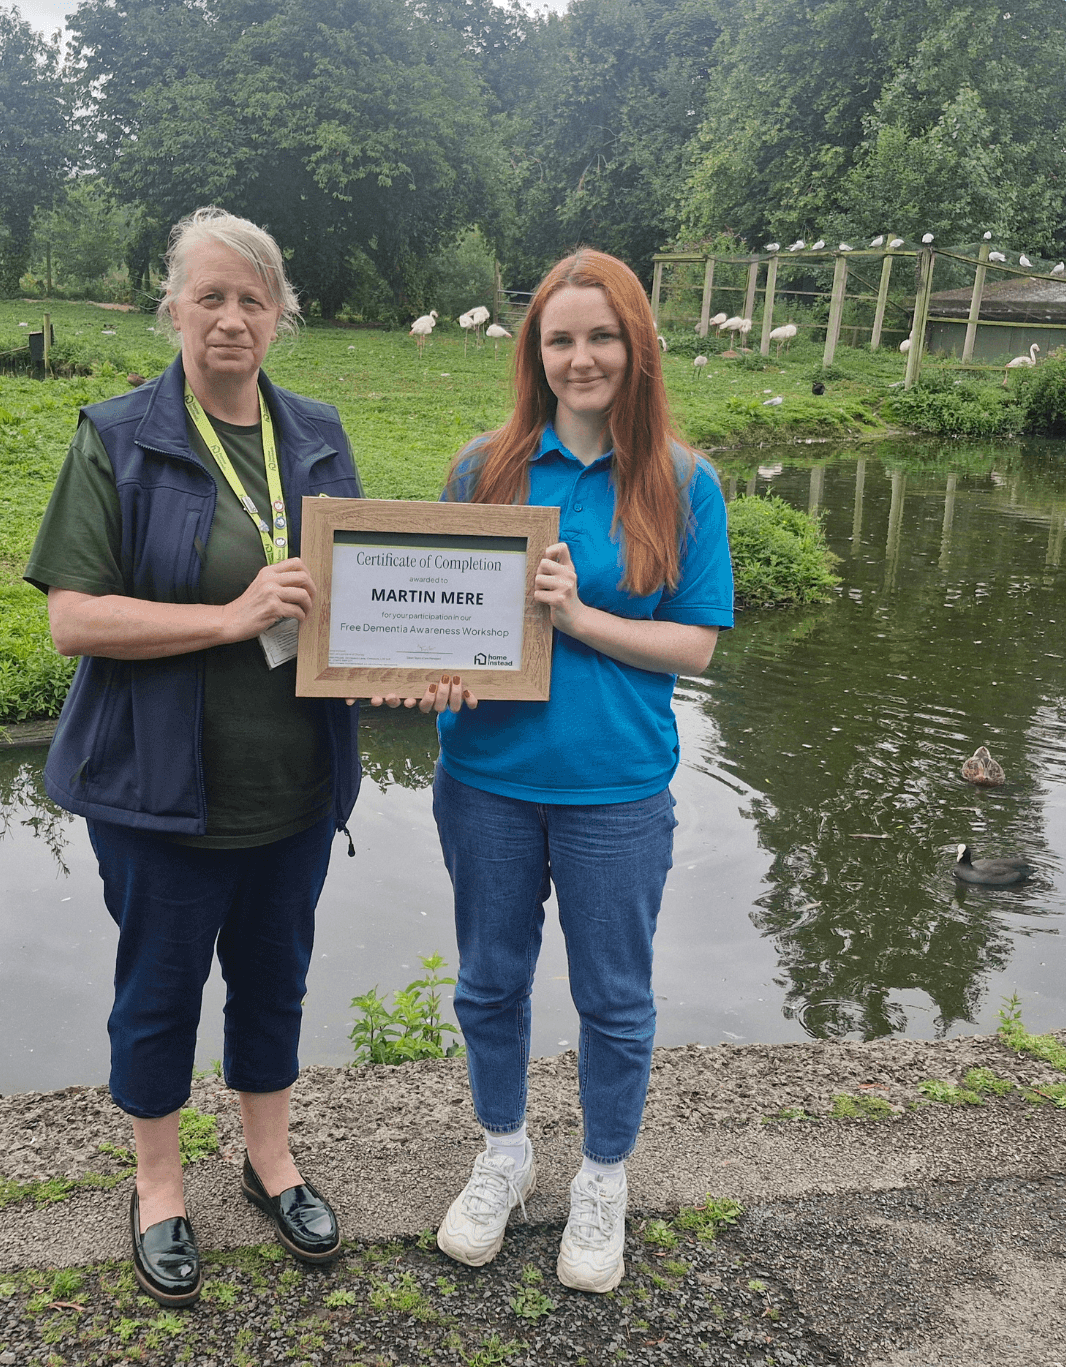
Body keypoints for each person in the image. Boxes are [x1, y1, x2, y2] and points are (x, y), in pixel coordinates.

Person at [379, 248, 733, 1293]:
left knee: (613, 996)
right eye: (560, 339)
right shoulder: (481, 467)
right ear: (535, 353)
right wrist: (430, 675)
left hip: (617, 789)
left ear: (635, 346)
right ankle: (502, 1152)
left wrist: (579, 617)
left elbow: (697, 645)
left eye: (601, 336)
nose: (581, 358)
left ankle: (602, 1174)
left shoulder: (680, 480)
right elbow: (438, 619)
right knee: (488, 980)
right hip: (485, 776)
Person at [25, 207, 362, 1307]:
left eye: (251, 300)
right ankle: (159, 1186)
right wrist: (229, 616)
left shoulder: (314, 433)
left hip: (293, 783)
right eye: (209, 296)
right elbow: (73, 619)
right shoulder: (117, 435)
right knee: (159, 989)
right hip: (157, 788)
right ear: (171, 306)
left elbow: (358, 601)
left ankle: (270, 1161)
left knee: (275, 978)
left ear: (279, 318)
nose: (230, 318)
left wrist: (419, 660)